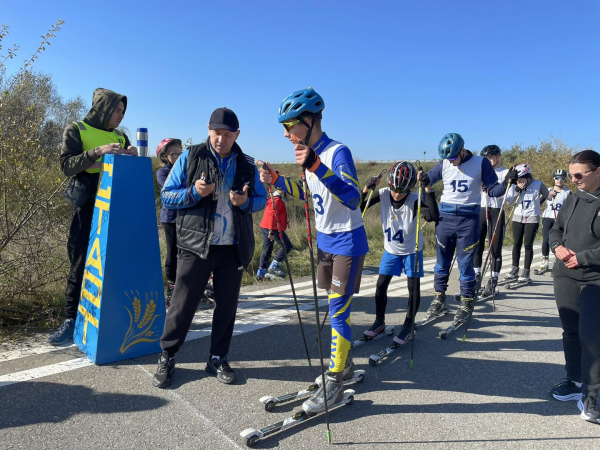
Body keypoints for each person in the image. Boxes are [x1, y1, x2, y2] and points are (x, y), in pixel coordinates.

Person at [259, 87, 368, 416]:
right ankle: (345, 364)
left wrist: (318, 165)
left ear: (308, 120)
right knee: (333, 307)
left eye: (289, 125)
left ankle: (335, 380)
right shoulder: (308, 154)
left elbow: (352, 196)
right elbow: (308, 194)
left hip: (348, 241)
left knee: (337, 311)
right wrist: (278, 179)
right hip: (325, 241)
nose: (286, 134)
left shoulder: (336, 152)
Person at [152, 108, 267, 388]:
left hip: (233, 246)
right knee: (182, 304)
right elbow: (167, 196)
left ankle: (217, 357)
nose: (221, 139)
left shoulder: (247, 164)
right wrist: (194, 193)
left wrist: (246, 203)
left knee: (227, 306)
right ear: (208, 130)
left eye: (228, 135)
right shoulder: (190, 157)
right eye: (217, 133)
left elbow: (262, 200)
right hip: (195, 245)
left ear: (237, 135)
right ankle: (167, 355)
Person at [49, 88, 137, 345]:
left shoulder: (121, 136)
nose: (120, 116)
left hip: (116, 206)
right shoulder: (77, 129)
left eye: (123, 111)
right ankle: (70, 319)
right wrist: (97, 152)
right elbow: (67, 166)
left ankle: (110, 318)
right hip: (87, 206)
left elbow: (125, 169)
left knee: (115, 263)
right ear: (103, 108)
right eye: (116, 110)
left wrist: (130, 155)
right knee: (80, 262)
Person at [418, 134, 517, 324]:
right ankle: (439, 298)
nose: (452, 161)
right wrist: (424, 202)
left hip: (468, 218)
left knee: (465, 264)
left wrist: (506, 183)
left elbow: (493, 190)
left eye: (454, 157)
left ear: (463, 150)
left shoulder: (481, 163)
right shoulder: (444, 164)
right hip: (445, 217)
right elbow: (425, 184)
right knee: (441, 262)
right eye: (449, 158)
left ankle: (466, 301)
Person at [360, 161, 439, 344]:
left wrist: (428, 188)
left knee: (413, 288)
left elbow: (433, 216)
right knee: (381, 285)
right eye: (394, 189)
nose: (396, 194)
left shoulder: (414, 200)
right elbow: (359, 207)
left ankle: (409, 324)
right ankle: (379, 321)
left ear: (410, 187)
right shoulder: (384, 194)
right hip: (391, 250)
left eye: (401, 191)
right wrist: (365, 189)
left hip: (412, 250)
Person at [548, 149, 600, 424]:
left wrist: (582, 257)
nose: (574, 180)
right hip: (564, 275)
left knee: (591, 337)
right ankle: (574, 380)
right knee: (570, 331)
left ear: (598, 171)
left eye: (580, 175)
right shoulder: (571, 197)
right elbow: (555, 229)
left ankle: (593, 395)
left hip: (595, 278)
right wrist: (557, 247)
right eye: (571, 175)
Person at [473, 145, 513, 296]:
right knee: (477, 247)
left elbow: (509, 199)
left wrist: (508, 185)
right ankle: (476, 281)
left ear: (497, 157)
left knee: (495, 249)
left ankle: (493, 282)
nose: (488, 161)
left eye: (490, 157)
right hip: (480, 210)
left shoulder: (504, 173)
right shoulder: (480, 172)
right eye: (485, 158)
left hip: (496, 210)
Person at [502, 164, 549, 284]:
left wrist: (539, 203)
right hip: (518, 217)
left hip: (532, 218)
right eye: (518, 178)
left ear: (528, 176)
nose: (520, 181)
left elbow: (548, 195)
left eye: (522, 178)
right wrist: (517, 190)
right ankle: (514, 269)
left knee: (528, 245)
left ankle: (526, 271)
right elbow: (509, 203)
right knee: (516, 243)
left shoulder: (538, 184)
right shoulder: (514, 185)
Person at [156, 138, 183, 307]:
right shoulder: (163, 172)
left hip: (185, 217)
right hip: (171, 217)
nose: (179, 156)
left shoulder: (184, 169)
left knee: (186, 252)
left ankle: (187, 286)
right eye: (174, 153)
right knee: (173, 252)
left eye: (181, 152)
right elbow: (175, 188)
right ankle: (171, 287)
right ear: (165, 156)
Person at [257, 188, 293, 280]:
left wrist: (286, 222)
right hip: (272, 227)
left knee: (267, 249)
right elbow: (272, 215)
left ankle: (261, 273)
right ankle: (273, 267)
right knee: (287, 246)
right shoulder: (277, 200)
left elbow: (278, 213)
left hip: (265, 226)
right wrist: (271, 232)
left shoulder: (274, 197)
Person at [539, 169, 570, 272]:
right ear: (554, 179)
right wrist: (548, 196)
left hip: (560, 220)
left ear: (565, 179)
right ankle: (545, 260)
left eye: (562, 178)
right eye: (557, 178)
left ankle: (558, 262)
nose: (559, 180)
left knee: (559, 241)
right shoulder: (547, 190)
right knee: (546, 240)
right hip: (548, 218)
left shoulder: (568, 192)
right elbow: (538, 202)